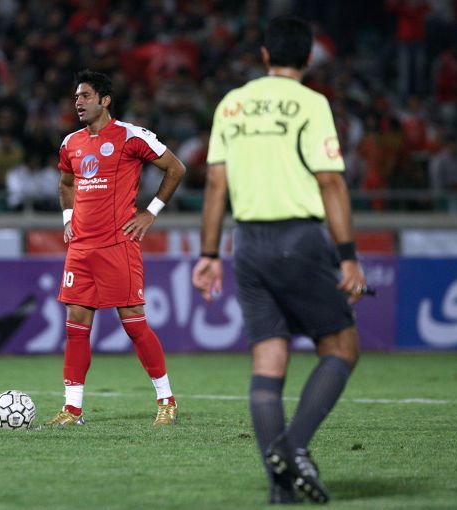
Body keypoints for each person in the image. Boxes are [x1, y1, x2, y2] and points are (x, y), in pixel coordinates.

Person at [191, 18, 367, 504]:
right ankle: (293, 448)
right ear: (308, 59)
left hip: (247, 245)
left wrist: (209, 254)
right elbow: (330, 181)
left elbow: (216, 184)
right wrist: (348, 257)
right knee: (342, 348)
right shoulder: (311, 103)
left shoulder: (232, 103)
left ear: (265, 55)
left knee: (268, 360)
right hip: (299, 239)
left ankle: (281, 490)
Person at [47, 70, 186, 427]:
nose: (78, 102)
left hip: (117, 245)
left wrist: (150, 213)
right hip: (81, 248)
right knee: (76, 326)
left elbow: (175, 168)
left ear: (105, 100)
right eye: (76, 97)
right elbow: (66, 183)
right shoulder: (71, 143)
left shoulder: (130, 136)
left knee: (134, 323)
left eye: (86, 96)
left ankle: (167, 401)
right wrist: (68, 218)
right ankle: (72, 410)